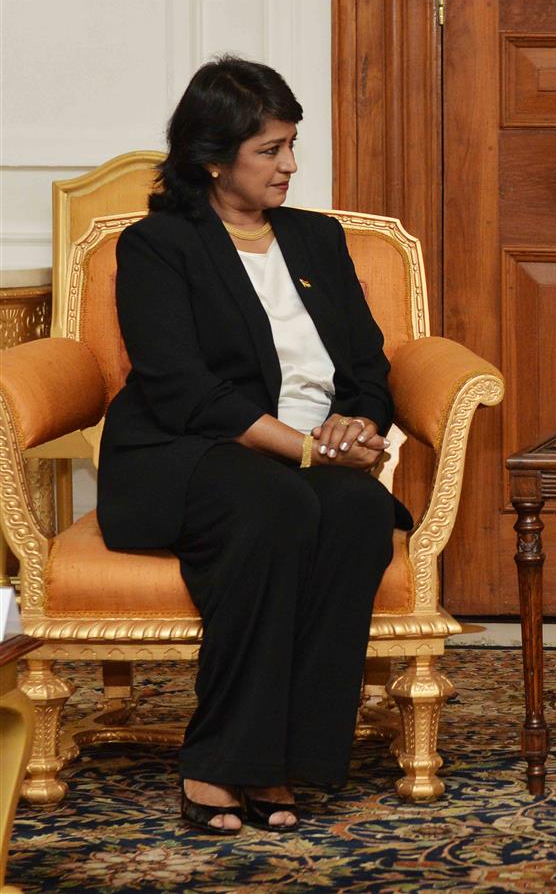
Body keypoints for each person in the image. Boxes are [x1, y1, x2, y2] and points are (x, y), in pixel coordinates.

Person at [97, 56, 409, 834]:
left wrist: (357, 427)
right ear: (212, 157)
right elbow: (180, 389)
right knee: (275, 506)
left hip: (305, 454)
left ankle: (284, 761)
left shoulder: (317, 239)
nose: (290, 165)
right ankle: (218, 762)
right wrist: (305, 452)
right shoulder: (159, 246)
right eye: (270, 150)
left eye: (291, 145)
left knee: (359, 516)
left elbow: (367, 365)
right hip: (184, 453)